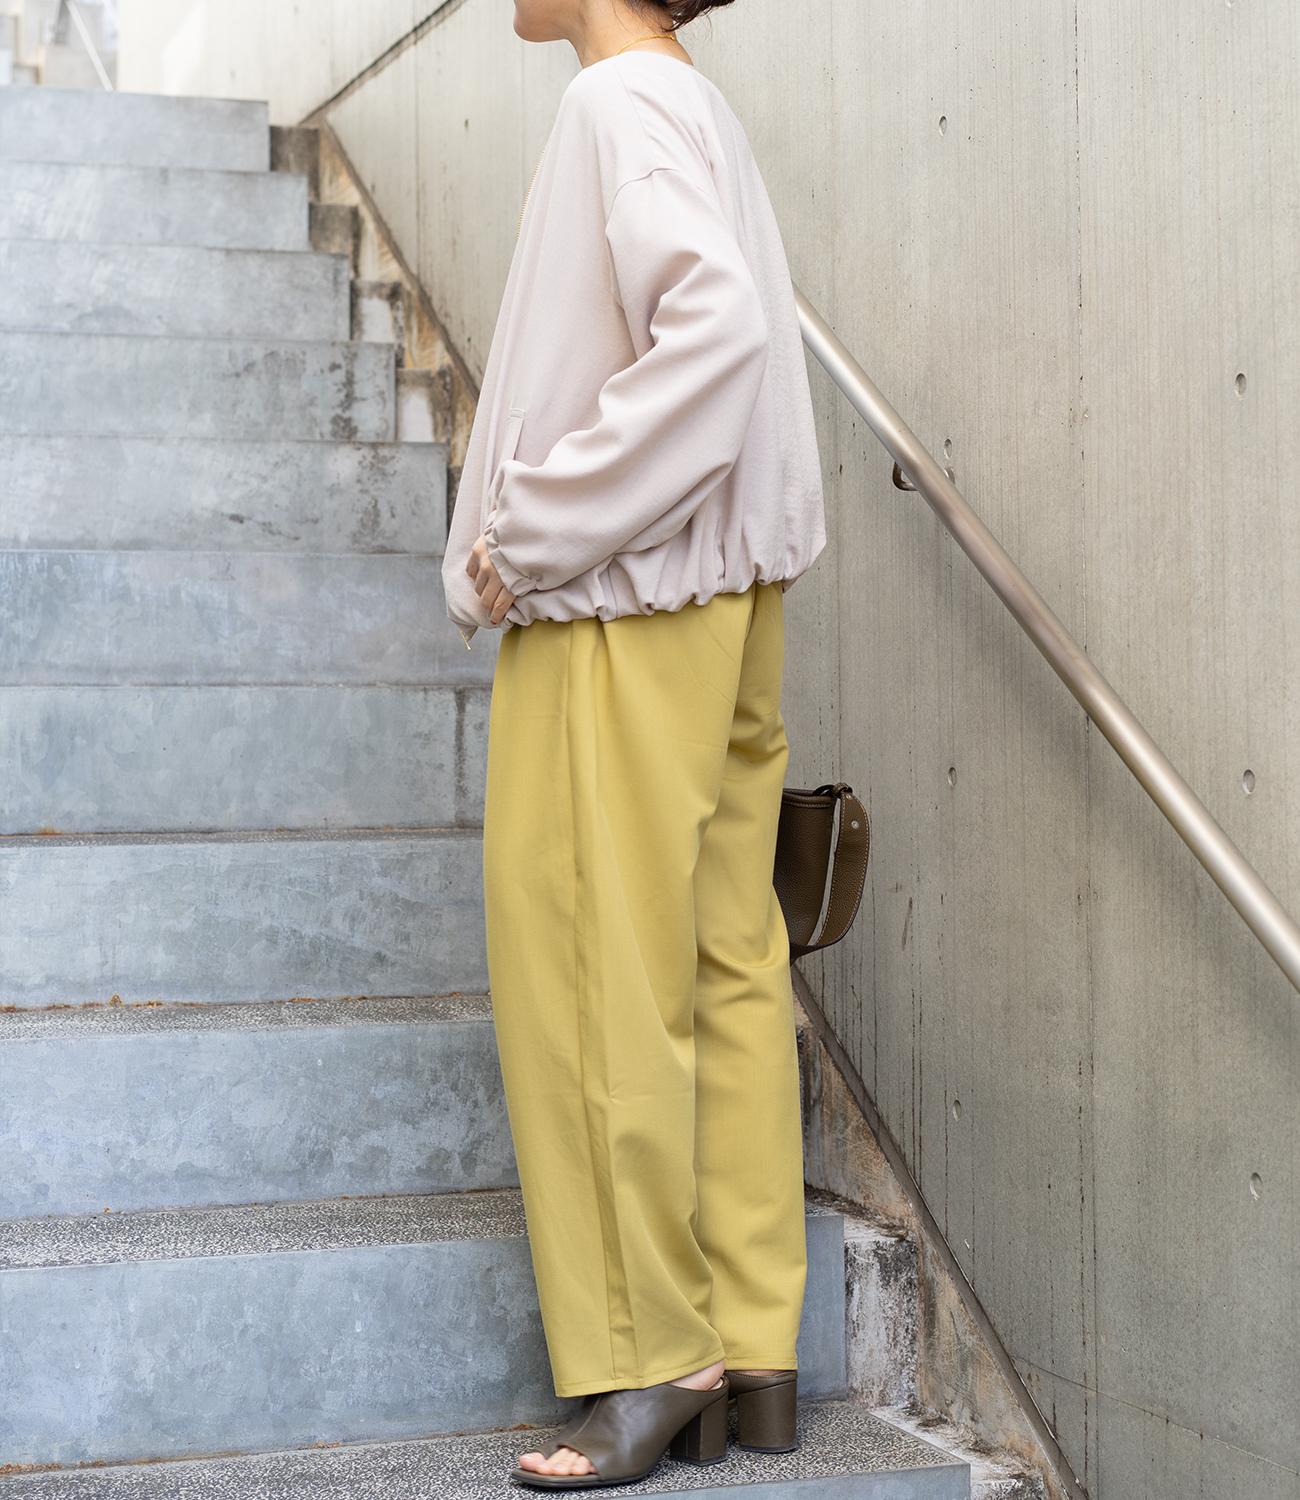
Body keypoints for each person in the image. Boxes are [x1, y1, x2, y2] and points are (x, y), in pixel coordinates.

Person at [440, 0, 828, 1487]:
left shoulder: (614, 104)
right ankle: (755, 1342)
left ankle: (653, 1351)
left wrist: (531, 528)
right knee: (724, 954)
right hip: (725, 599)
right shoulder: (691, 102)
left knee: (591, 967)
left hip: (621, 598)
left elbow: (713, 335)